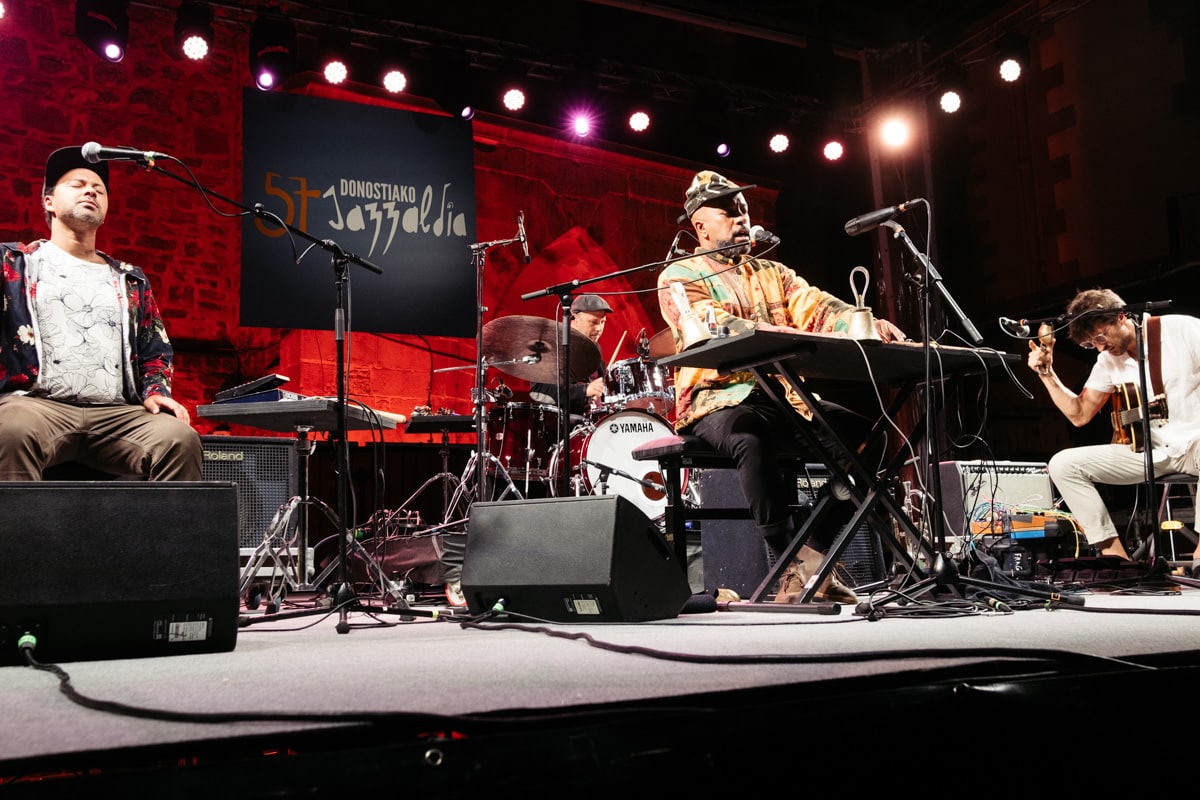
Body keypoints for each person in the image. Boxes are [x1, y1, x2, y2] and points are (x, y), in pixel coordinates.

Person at [657, 171, 907, 604]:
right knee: (750, 438)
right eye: (728, 211)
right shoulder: (679, 275)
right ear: (701, 226)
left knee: (871, 438)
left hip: (786, 399)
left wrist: (862, 322)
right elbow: (713, 325)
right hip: (716, 401)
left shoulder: (773, 272)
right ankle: (790, 564)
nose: (741, 217)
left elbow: (818, 306)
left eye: (743, 209)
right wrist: (779, 332)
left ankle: (811, 557)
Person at [0, 146, 202, 481]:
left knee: (179, 439)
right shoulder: (13, 264)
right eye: (77, 185)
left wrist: (156, 392)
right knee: (11, 430)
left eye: (99, 189)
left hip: (116, 414)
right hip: (36, 405)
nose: (91, 191)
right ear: (49, 202)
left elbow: (155, 350)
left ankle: (166, 521)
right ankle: (20, 520)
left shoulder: (130, 279)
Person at [1027, 288, 1200, 566]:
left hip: (1195, 443)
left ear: (1121, 316)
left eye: (1100, 337)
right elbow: (1079, 414)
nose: (1099, 347)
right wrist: (1046, 374)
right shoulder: (1107, 361)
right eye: (1090, 344)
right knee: (1063, 464)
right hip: (1151, 453)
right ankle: (1116, 560)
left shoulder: (1182, 330)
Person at [529, 294, 612, 418]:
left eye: (602, 322)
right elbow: (539, 390)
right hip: (561, 421)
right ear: (574, 319)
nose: (599, 329)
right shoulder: (552, 345)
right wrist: (584, 391)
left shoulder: (595, 347)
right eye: (593, 322)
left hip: (592, 420)